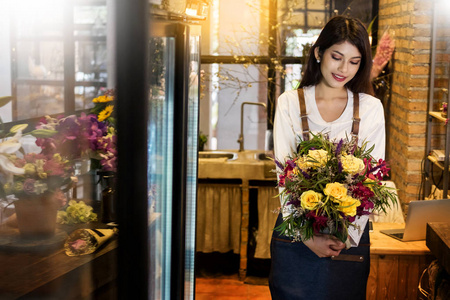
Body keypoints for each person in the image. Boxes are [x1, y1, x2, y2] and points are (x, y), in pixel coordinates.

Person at [269, 16, 386, 299]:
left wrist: (344, 238)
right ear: (319, 53)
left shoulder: (370, 108)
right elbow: (284, 178)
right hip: (297, 235)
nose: (343, 69)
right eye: (337, 57)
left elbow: (373, 181)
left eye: (354, 61)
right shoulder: (289, 103)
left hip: (349, 238)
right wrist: (308, 238)